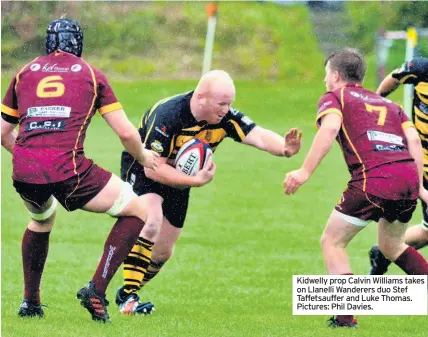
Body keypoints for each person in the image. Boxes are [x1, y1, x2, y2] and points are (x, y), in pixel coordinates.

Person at [1, 18, 160, 323]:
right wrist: (143, 157)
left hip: (24, 171)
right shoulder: (90, 74)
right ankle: (96, 290)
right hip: (69, 169)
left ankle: (30, 303)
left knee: (41, 220)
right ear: (78, 44)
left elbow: (3, 133)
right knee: (139, 210)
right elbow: (127, 134)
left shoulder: (25, 72)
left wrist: (28, 155)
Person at [115, 69, 302, 315]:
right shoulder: (169, 114)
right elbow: (153, 169)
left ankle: (127, 291)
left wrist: (285, 149)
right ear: (201, 96)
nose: (226, 109)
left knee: (162, 252)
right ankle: (128, 298)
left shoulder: (224, 118)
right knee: (151, 222)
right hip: (146, 168)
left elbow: (259, 136)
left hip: (182, 176)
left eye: (230, 104)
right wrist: (195, 181)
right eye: (222, 103)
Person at [284, 48, 428, 328]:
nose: (325, 81)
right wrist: (420, 186)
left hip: (374, 180)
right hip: (408, 179)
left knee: (332, 241)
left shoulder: (334, 97)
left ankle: (344, 318)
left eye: (327, 75)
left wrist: (304, 171)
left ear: (336, 75)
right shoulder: (391, 106)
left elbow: (328, 130)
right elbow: (413, 141)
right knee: (393, 246)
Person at [369, 57, 428, 275]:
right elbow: (395, 78)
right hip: (423, 165)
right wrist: (376, 102)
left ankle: (384, 252)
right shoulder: (420, 68)